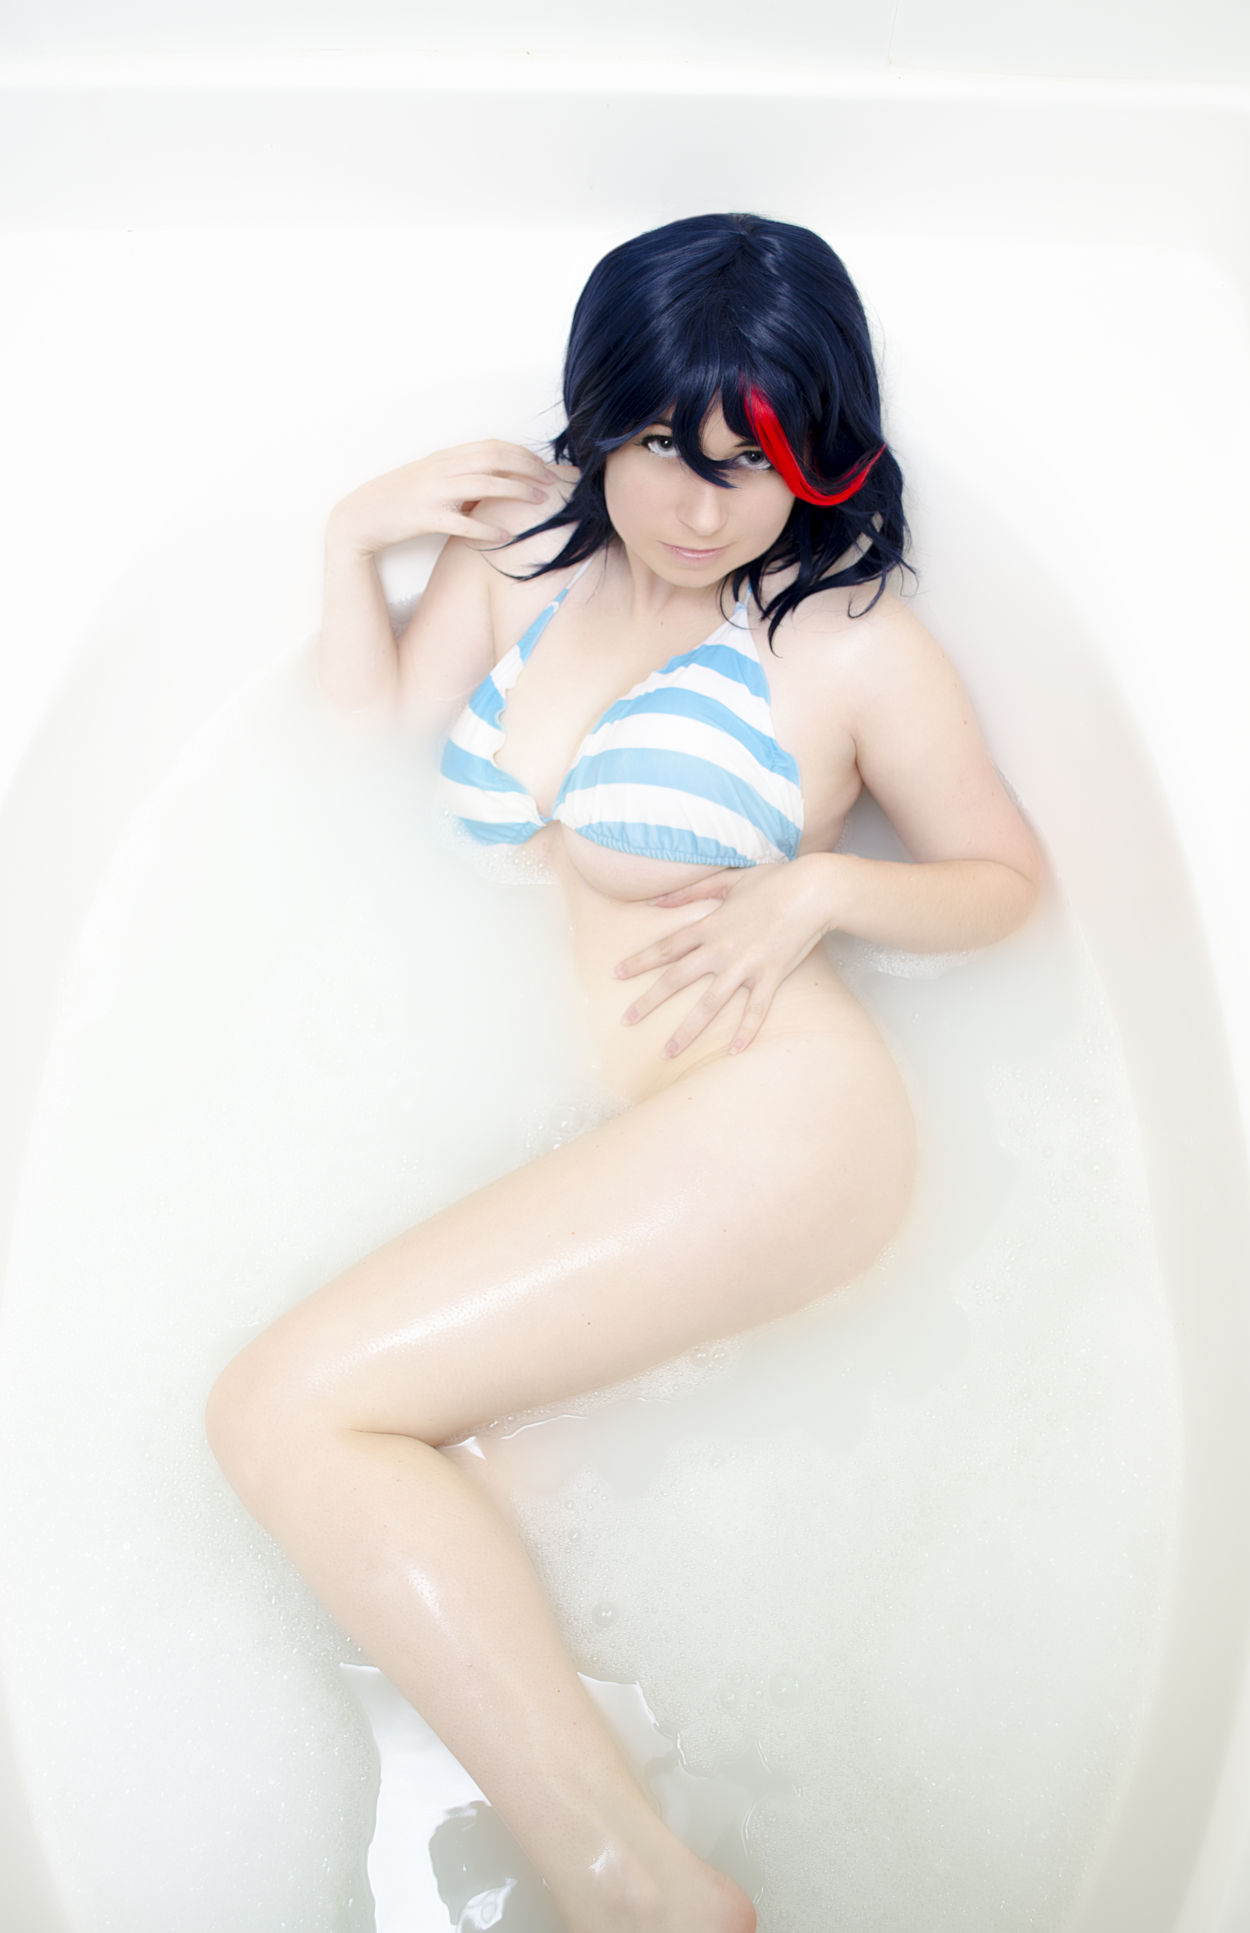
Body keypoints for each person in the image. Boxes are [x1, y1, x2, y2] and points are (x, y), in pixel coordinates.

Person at [204, 212, 1042, 1932]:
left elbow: (1006, 885)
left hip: (784, 1118)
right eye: (661, 444)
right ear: (601, 416)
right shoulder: (525, 562)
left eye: (749, 464)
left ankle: (636, 1887)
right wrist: (349, 537)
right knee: (444, 1498)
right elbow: (357, 756)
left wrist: (821, 887)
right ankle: (690, 1796)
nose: (695, 504)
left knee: (283, 1408)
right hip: (645, 1144)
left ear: (821, 456)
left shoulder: (849, 643)